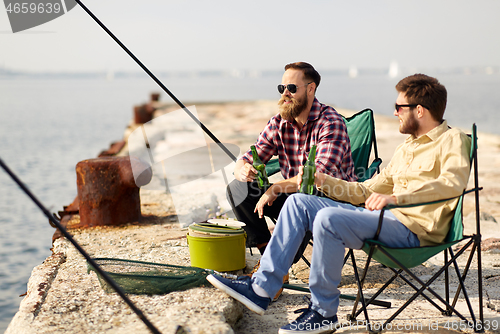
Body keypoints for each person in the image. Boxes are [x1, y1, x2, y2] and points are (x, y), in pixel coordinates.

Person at [209, 74, 471, 333]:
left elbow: (451, 184)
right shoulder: (406, 149)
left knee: (328, 219)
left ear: (420, 111)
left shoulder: (453, 139)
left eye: (398, 107)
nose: (394, 113)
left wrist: (395, 198)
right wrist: (324, 181)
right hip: (384, 219)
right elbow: (364, 190)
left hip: (415, 230)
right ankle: (261, 288)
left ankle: (323, 312)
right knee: (299, 202)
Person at [227, 62, 356, 258]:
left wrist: (276, 188)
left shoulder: (331, 123)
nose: (285, 93)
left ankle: (278, 263)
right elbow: (249, 157)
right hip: (294, 197)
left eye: (292, 88)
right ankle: (268, 255)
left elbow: (316, 177)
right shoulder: (278, 122)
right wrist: (242, 169)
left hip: (330, 200)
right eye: (282, 88)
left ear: (311, 89)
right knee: (237, 188)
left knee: (299, 200)